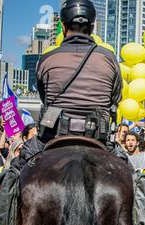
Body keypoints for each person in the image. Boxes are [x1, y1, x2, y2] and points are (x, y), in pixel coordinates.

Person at [37, 0, 122, 145]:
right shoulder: (109, 58)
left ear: (63, 26)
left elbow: (44, 97)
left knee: (19, 164)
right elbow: (115, 98)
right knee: (126, 166)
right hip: (97, 135)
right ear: (92, 27)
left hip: (53, 135)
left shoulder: (47, 59)